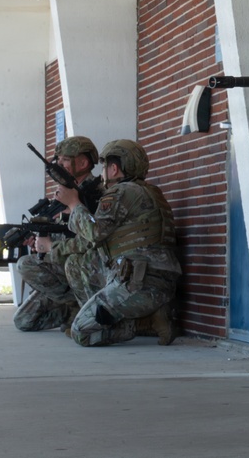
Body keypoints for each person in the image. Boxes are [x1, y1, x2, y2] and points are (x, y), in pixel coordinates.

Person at [56, 139, 180, 347]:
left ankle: (141, 322)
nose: (102, 172)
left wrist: (73, 203)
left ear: (114, 169)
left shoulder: (121, 192)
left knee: (81, 334)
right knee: (79, 263)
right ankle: (142, 317)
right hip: (157, 282)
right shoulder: (151, 192)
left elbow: (95, 232)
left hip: (138, 285)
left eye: (104, 167)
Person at [13, 136, 106, 334]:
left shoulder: (97, 193)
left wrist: (52, 247)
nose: (58, 164)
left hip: (87, 270)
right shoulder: (64, 194)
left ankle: (83, 307)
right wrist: (41, 244)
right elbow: (64, 234)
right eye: (58, 160)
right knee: (24, 321)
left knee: (25, 264)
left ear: (82, 162)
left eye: (64, 159)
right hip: (63, 269)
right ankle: (72, 306)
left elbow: (93, 237)